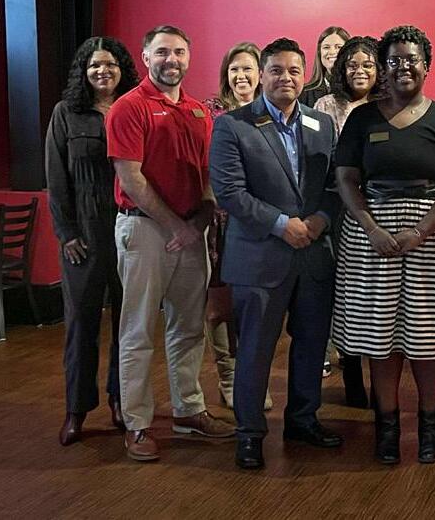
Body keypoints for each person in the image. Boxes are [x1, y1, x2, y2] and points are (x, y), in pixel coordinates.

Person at [332, 25, 435, 465]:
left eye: (412, 59)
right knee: (380, 337)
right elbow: (346, 178)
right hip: (371, 235)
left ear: (427, 66)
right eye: (393, 60)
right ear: (383, 67)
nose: (403, 67)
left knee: (428, 337)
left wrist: (421, 231)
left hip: (434, 236)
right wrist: (372, 228)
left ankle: (430, 426)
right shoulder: (362, 118)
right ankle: (387, 428)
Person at [210, 37, 344, 470]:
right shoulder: (233, 126)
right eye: (276, 70)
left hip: (313, 255)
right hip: (260, 257)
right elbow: (229, 192)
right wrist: (282, 224)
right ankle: (250, 433)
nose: (286, 77)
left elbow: (335, 185)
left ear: (304, 75)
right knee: (255, 348)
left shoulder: (321, 124)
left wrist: (320, 219)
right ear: (261, 75)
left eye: (293, 70)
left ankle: (303, 420)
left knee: (311, 345)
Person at [107, 25, 234, 462]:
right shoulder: (128, 107)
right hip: (145, 230)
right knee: (138, 330)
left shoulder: (199, 111)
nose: (171, 60)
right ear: (145, 57)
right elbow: (131, 178)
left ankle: (188, 410)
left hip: (190, 233)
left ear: (188, 58)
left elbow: (208, 175)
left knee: (189, 327)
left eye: (179, 52)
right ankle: (137, 424)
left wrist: (198, 221)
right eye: (162, 52)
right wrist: (176, 226)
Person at [47, 36, 139, 446]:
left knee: (128, 323)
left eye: (111, 64)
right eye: (95, 66)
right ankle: (76, 410)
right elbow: (55, 179)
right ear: (83, 72)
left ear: (123, 70)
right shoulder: (66, 113)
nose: (103, 71)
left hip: (130, 228)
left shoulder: (133, 110)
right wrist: (66, 233)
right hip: (84, 235)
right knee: (81, 324)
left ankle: (121, 400)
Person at [201, 42, 271, 412]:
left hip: (261, 223)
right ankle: (228, 377)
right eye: (233, 69)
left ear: (260, 74)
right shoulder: (211, 112)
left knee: (256, 306)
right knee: (221, 305)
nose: (240, 76)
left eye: (247, 69)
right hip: (221, 224)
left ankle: (253, 379)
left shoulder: (270, 114)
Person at [313, 35, 381, 408]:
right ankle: (351, 374)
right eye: (353, 64)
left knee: (374, 294)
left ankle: (380, 375)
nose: (360, 71)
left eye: (368, 64)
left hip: (380, 210)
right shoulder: (326, 105)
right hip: (338, 210)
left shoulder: (387, 104)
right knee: (345, 295)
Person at [299, 26, 349, 107]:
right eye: (326, 47)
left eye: (338, 47)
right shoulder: (303, 94)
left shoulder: (359, 91)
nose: (332, 52)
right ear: (319, 53)